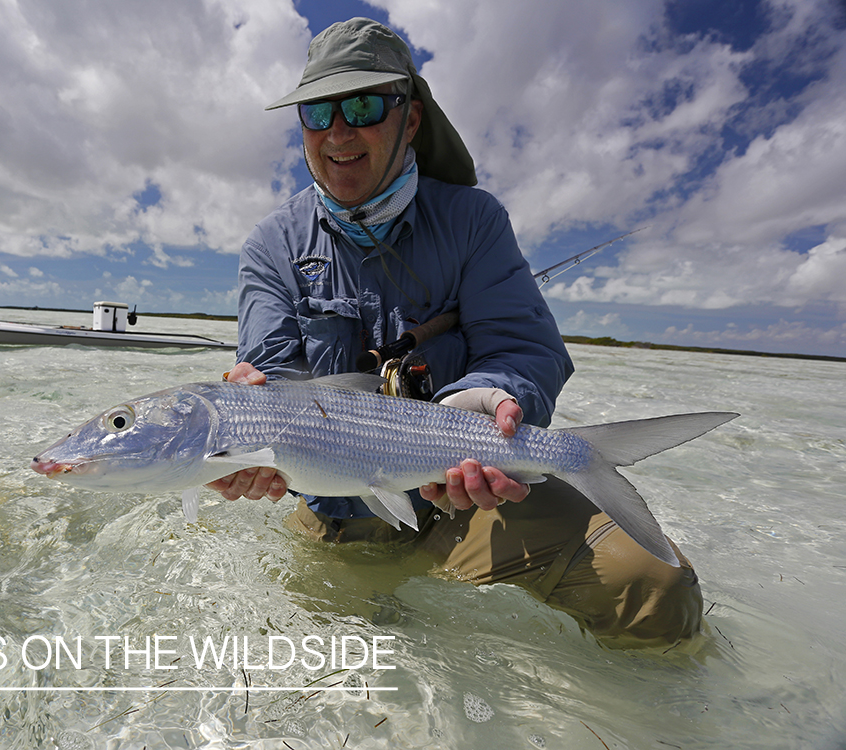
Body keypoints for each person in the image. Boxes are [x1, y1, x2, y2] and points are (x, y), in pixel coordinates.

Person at [208, 18, 703, 648]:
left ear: (410, 119)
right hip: (341, 513)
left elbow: (523, 348)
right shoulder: (271, 245)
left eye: (361, 104)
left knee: (657, 589)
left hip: (472, 499)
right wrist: (252, 434)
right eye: (316, 111)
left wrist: (497, 395)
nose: (337, 131)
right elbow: (272, 376)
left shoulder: (474, 220)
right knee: (342, 686)